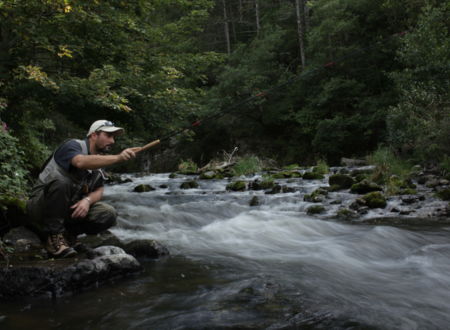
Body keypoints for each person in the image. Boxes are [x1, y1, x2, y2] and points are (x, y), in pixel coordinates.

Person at [27, 120, 136, 258]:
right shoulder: (72, 145)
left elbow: (99, 189)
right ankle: (53, 238)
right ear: (94, 135)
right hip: (40, 206)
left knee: (108, 213)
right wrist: (118, 158)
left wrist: (87, 200)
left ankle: (68, 236)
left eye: (113, 137)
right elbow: (80, 162)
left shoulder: (100, 162)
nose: (112, 141)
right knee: (62, 182)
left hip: (67, 209)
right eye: (108, 135)